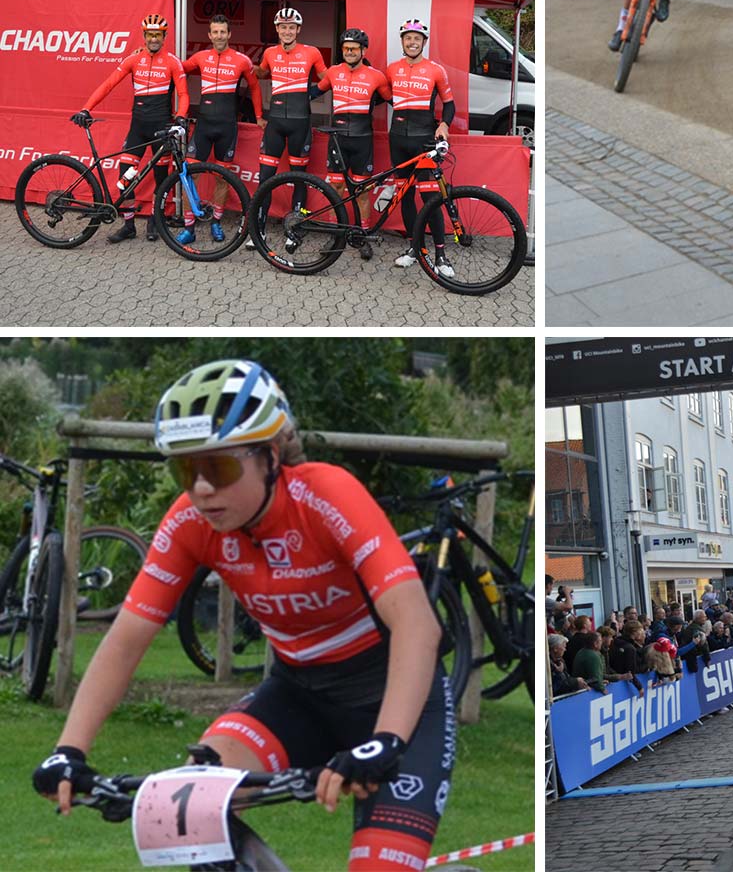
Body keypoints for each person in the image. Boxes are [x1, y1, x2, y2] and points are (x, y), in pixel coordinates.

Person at [31, 358, 454, 872]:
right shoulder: (190, 521)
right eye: (186, 470)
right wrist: (68, 750)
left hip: (393, 696)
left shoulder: (325, 494)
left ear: (271, 456)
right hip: (296, 696)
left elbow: (417, 623)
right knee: (182, 807)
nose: (202, 488)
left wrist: (386, 741)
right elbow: (126, 639)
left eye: (220, 468)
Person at [70, 14, 189, 243]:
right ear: (144, 36)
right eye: (150, 34)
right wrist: (86, 108)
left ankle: (155, 221)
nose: (154, 39)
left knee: (161, 178)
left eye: (158, 35)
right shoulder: (134, 59)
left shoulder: (173, 61)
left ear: (164, 37)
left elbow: (183, 94)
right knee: (125, 174)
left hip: (161, 128)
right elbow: (109, 84)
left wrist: (182, 116)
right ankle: (128, 225)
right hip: (138, 127)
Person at [178, 15, 265, 245]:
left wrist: (259, 117)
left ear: (229, 34)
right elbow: (176, 70)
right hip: (204, 124)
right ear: (209, 35)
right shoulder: (200, 57)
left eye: (222, 32)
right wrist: (147, 54)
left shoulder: (241, 60)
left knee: (222, 178)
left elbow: (255, 87)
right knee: (190, 176)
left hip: (227, 126)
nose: (219, 36)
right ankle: (189, 227)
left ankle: (216, 222)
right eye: (215, 32)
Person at [249, 7, 328, 247]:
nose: (286, 31)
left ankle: (294, 231)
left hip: (300, 122)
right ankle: (258, 230)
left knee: (299, 179)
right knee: (265, 179)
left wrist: (310, 94)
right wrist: (251, 68)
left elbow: (327, 78)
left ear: (298, 30)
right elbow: (261, 72)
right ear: (277, 29)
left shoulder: (311, 52)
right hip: (275, 122)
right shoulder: (270, 52)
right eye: (282, 27)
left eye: (291, 27)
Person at [384, 19, 456, 277]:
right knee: (405, 197)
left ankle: (440, 255)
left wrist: (444, 125)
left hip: (424, 139)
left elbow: (449, 104)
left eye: (417, 38)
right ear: (402, 41)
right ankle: (415, 248)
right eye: (407, 38)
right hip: (398, 139)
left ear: (424, 42)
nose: (412, 42)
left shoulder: (435, 70)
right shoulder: (392, 69)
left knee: (430, 198)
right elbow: (380, 94)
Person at [312, 29, 391, 227]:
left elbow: (395, 102)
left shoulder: (377, 76)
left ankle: (363, 233)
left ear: (363, 51)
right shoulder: (333, 72)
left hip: (362, 139)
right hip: (338, 139)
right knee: (335, 187)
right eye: (346, 48)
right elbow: (313, 92)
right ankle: (335, 230)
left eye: (354, 48)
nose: (349, 52)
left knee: (362, 191)